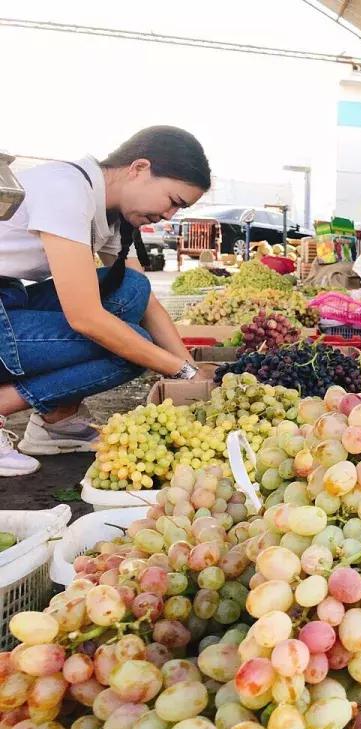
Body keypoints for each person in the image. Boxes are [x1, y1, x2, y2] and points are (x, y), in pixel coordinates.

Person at [0, 126, 212, 477]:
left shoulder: (109, 212)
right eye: (173, 201)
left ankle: (57, 420)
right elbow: (85, 317)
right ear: (139, 168)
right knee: (131, 348)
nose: (170, 216)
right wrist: (178, 369)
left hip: (9, 303)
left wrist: (193, 372)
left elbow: (144, 299)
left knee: (130, 290)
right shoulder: (67, 190)